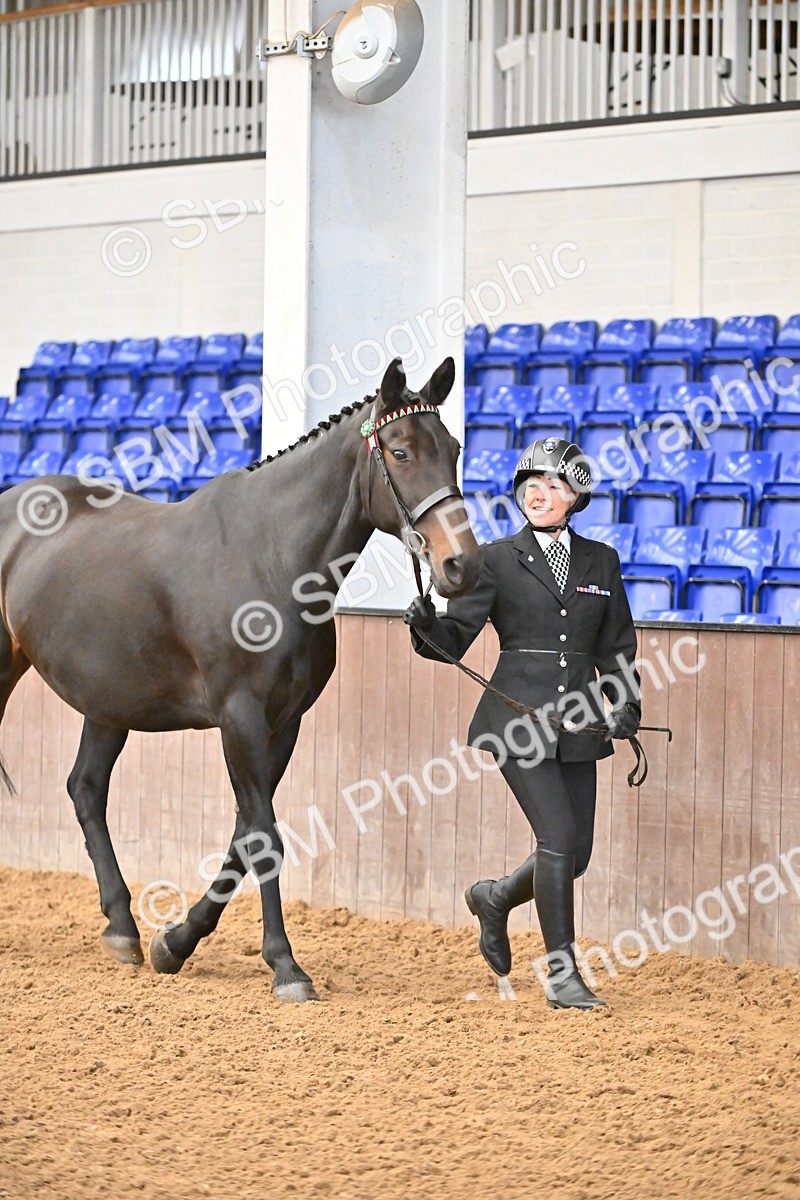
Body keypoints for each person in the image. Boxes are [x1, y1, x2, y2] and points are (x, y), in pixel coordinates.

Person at [404, 437, 640, 1010]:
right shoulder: (494, 559)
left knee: (576, 855)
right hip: (516, 720)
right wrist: (426, 624)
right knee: (556, 838)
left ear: (575, 496)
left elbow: (616, 648)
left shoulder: (602, 561)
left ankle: (495, 898)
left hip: (580, 722)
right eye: (531, 485)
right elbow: (453, 639)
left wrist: (626, 704)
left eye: (553, 485)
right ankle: (562, 974)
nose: (539, 494)